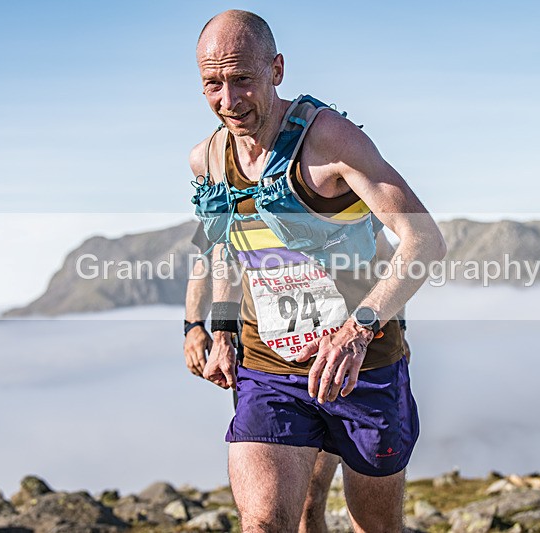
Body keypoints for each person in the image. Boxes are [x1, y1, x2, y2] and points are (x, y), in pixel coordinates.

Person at [190, 10, 446, 531]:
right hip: (268, 363)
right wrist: (213, 328)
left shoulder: (329, 140)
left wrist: (357, 332)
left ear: (276, 70)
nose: (228, 101)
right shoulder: (208, 159)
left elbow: (425, 241)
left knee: (371, 526)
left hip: (361, 361)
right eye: (212, 84)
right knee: (269, 522)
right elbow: (222, 246)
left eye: (242, 79)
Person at [183, 224, 412, 533]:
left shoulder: (342, 185)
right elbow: (211, 253)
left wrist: (395, 327)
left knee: (316, 498)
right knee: (291, 507)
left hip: (344, 366)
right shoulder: (225, 182)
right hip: (267, 363)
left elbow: (388, 252)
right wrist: (195, 325)